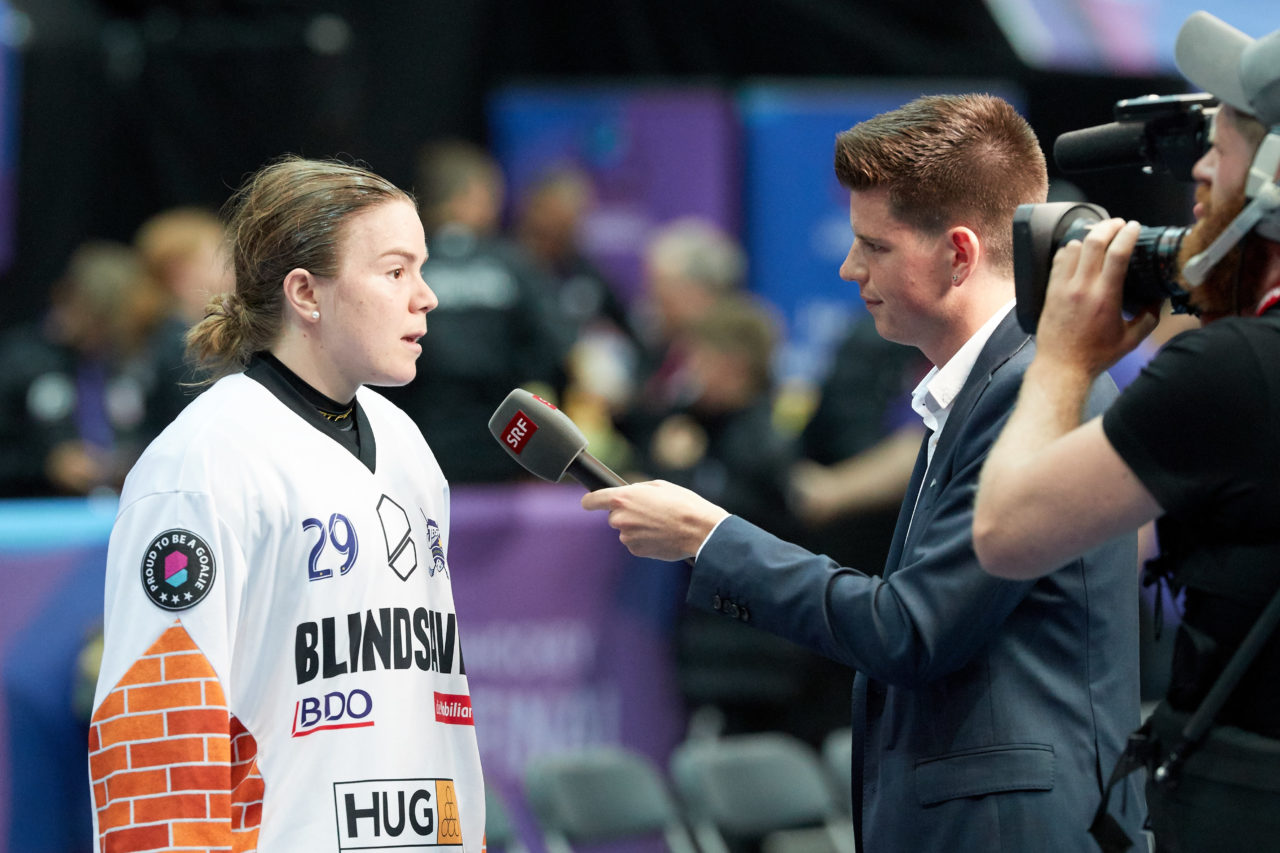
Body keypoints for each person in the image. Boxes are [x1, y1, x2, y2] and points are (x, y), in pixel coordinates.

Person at [583, 94, 1146, 852]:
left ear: (958, 253)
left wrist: (708, 537)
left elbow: (909, 629)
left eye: (873, 246)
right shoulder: (997, 384)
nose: (851, 269)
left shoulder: (1030, 392)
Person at [87, 156, 485, 851]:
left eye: (421, 269)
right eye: (396, 271)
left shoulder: (406, 443)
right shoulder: (204, 462)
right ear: (306, 291)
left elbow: (436, 704)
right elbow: (157, 732)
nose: (427, 296)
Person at [974, 13, 1280, 852]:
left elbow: (1006, 532)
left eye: (1226, 145)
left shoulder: (1237, 371)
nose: (1203, 170)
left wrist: (1065, 360)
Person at [379, 139, 571, 483]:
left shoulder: (401, 267)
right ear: (475, 193)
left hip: (419, 450)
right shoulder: (515, 263)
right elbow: (556, 348)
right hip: (506, 451)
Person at [0, 240, 183, 496]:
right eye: (93, 317)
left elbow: (176, 434)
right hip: (43, 511)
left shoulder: (145, 359)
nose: (99, 335)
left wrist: (139, 460)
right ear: (65, 297)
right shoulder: (19, 361)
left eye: (111, 323)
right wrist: (46, 465)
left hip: (128, 504)